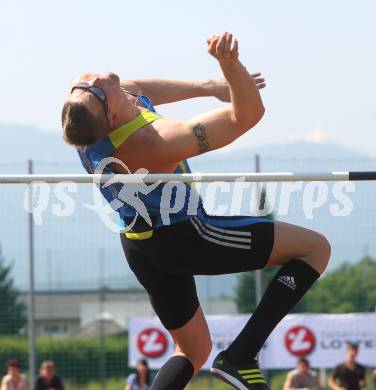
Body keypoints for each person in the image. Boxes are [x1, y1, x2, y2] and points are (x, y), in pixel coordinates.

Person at [61, 32, 331, 390]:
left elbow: (138, 87)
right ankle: (241, 356)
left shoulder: (84, 115)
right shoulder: (151, 143)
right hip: (185, 237)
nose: (94, 79)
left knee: (192, 350)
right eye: (97, 89)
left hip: (139, 244)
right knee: (316, 249)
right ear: (113, 116)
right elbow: (246, 115)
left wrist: (211, 86)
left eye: (83, 84)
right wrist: (231, 68)